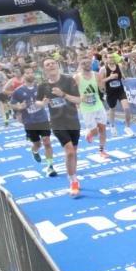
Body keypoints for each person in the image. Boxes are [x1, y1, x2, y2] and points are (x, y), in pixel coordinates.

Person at [36, 57, 82, 197]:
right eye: (47, 65)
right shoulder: (43, 87)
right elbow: (38, 103)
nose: (50, 66)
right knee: (69, 152)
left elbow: (78, 99)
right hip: (57, 122)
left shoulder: (68, 80)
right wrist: (42, 104)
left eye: (52, 63)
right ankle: (73, 180)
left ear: (57, 65)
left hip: (73, 121)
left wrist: (63, 95)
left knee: (73, 151)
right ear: (45, 69)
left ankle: (73, 175)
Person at [10, 66, 57, 177]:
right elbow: (11, 104)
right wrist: (19, 107)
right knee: (37, 144)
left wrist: (46, 101)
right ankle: (34, 151)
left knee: (47, 141)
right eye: (27, 72)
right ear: (23, 75)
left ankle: (50, 166)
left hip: (43, 119)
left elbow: (47, 99)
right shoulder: (18, 91)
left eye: (32, 72)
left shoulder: (41, 87)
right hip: (29, 122)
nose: (30, 74)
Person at [75, 55, 109, 160]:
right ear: (80, 65)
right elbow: (72, 92)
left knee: (103, 129)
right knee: (95, 132)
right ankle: (89, 134)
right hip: (86, 108)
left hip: (98, 105)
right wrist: (80, 99)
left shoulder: (96, 75)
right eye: (83, 63)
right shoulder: (77, 77)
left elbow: (101, 88)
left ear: (91, 63)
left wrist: (104, 90)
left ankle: (102, 150)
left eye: (88, 63)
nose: (86, 65)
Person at [100, 55, 134, 137]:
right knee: (112, 109)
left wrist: (124, 77)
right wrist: (110, 77)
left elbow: (122, 75)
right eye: (109, 57)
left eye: (113, 57)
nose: (111, 59)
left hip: (120, 90)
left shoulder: (119, 66)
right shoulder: (103, 69)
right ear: (106, 59)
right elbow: (100, 81)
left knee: (127, 108)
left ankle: (127, 127)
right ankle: (112, 126)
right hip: (110, 92)